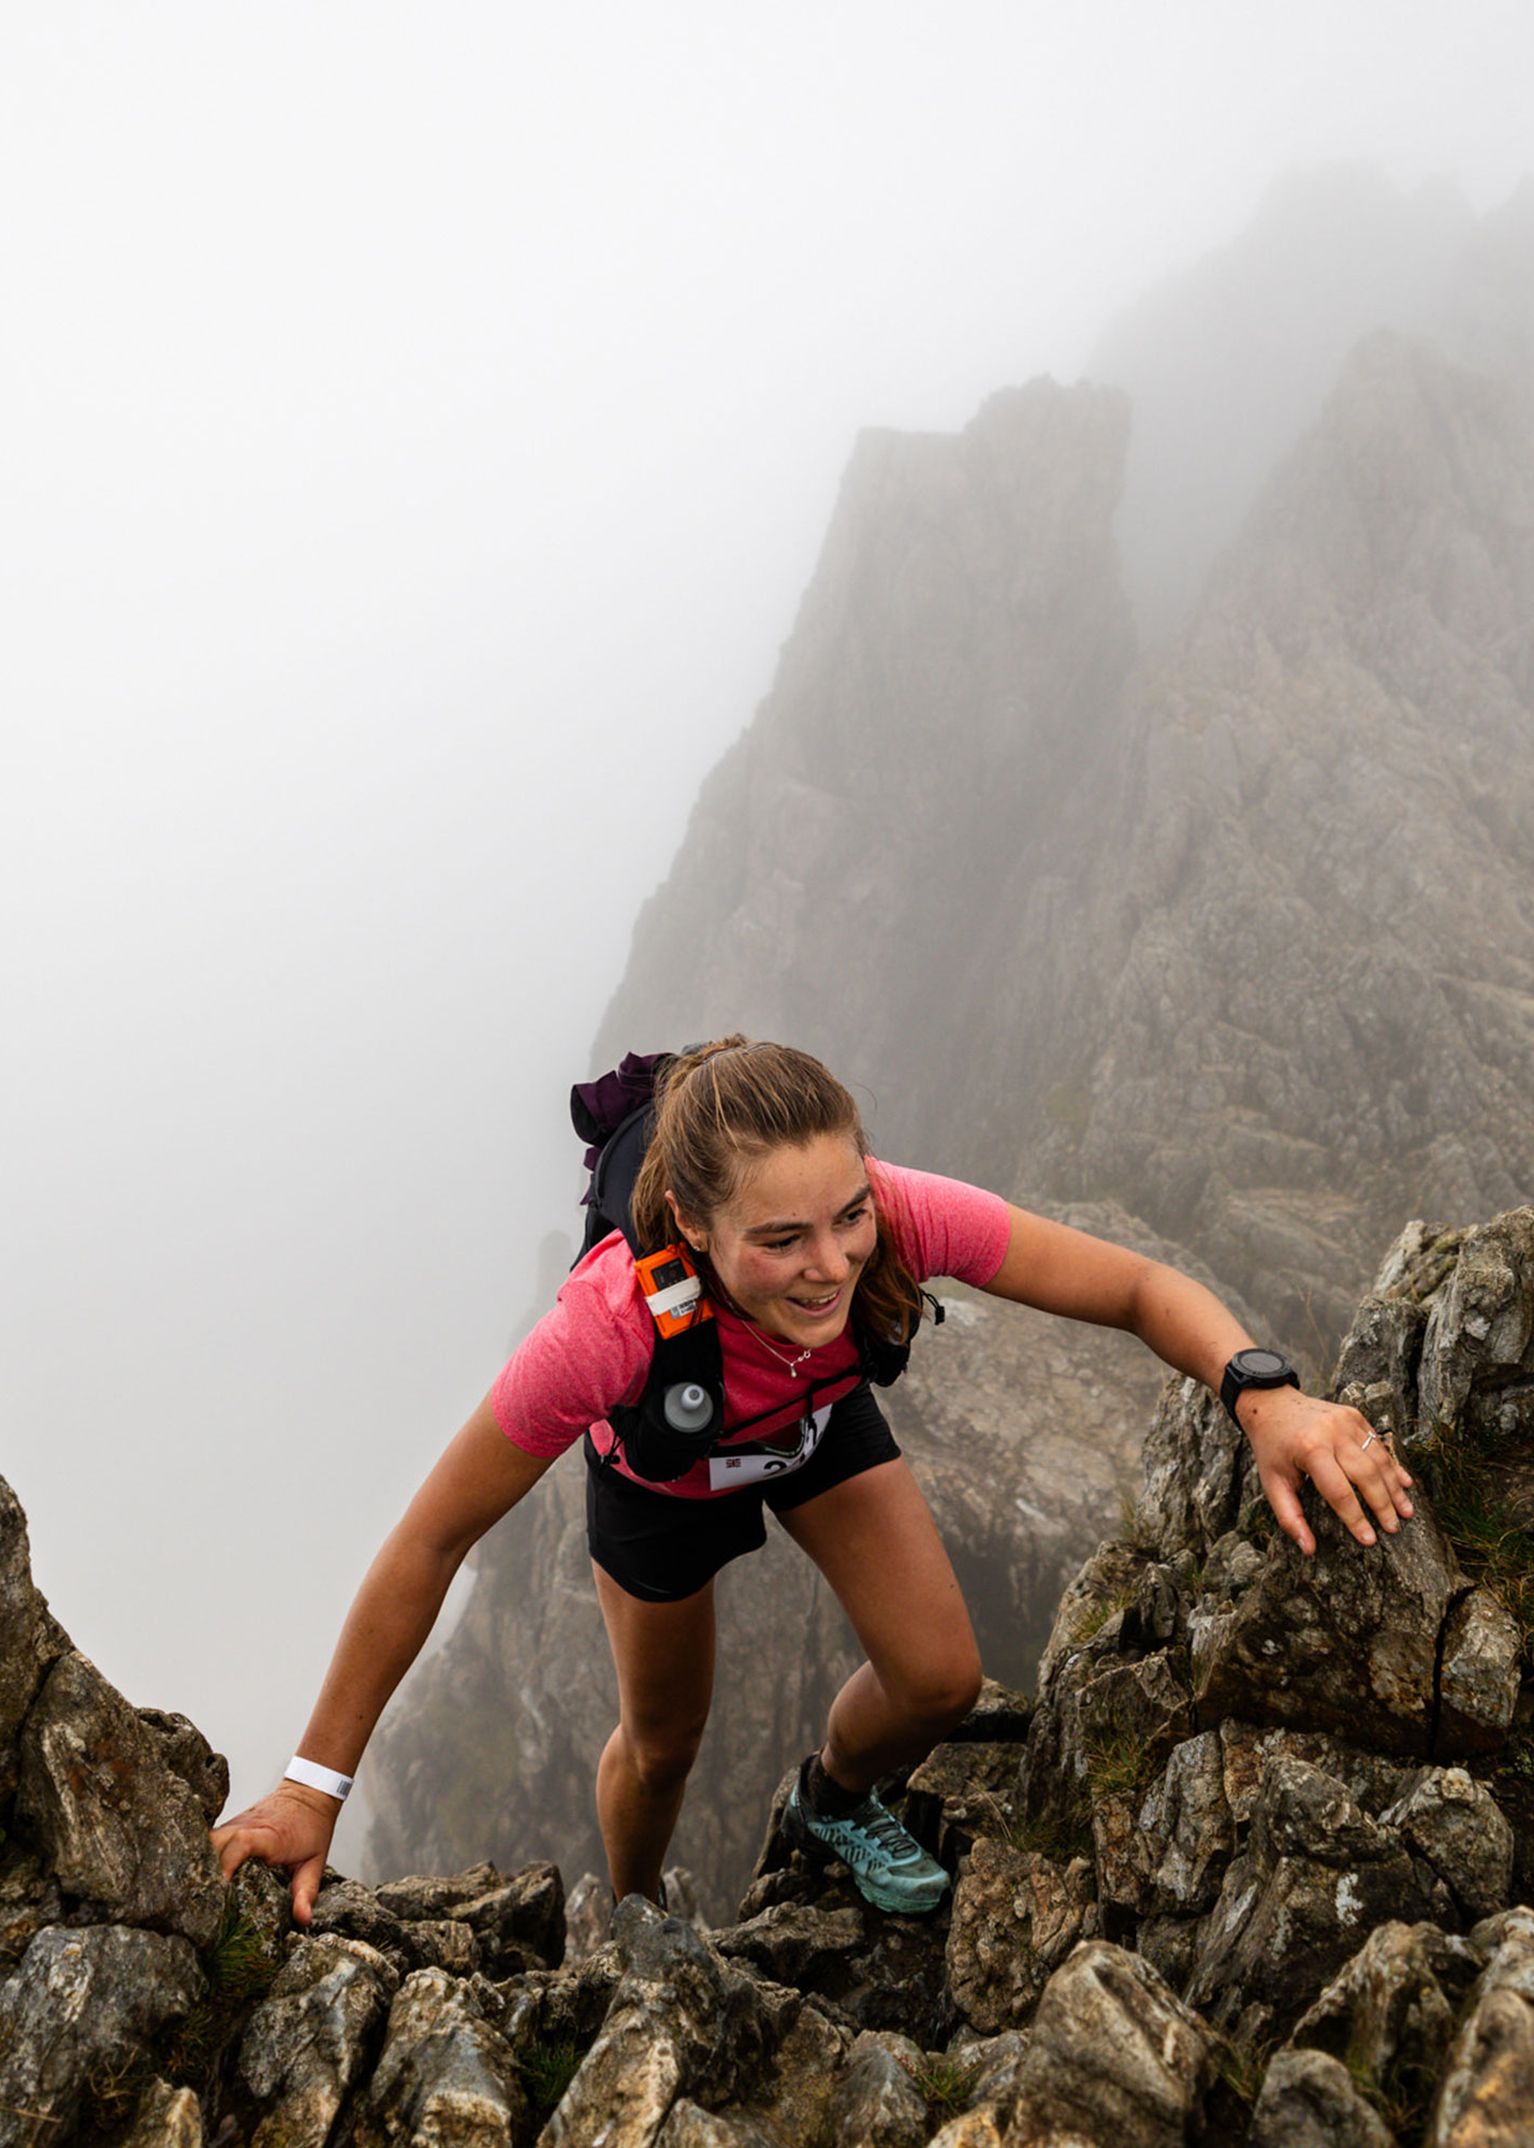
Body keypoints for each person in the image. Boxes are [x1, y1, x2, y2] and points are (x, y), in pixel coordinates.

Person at [211, 1037, 1414, 1921]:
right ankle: (639, 1918)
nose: (831, 1263)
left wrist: (1266, 1392)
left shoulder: (893, 1215)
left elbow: (1138, 1289)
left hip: (813, 1427)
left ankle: (831, 1801)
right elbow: (430, 1542)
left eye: (845, 1217)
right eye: (780, 1240)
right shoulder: (606, 1326)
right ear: (690, 1221)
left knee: (939, 1680)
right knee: (665, 1739)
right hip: (663, 1480)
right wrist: (312, 1787)